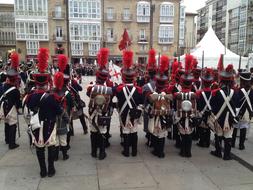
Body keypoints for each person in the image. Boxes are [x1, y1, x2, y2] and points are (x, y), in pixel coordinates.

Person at [26, 48, 63, 177]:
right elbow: (58, 111)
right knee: (51, 146)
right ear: (47, 83)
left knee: (39, 147)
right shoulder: (52, 97)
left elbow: (29, 108)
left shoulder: (31, 96)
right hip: (50, 124)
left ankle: (42, 170)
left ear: (36, 83)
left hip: (36, 125)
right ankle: (51, 169)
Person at [115, 50, 143, 157]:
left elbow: (116, 95)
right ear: (133, 77)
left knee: (126, 131)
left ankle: (126, 152)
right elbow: (141, 102)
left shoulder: (119, 89)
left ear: (123, 77)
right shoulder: (139, 89)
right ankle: (134, 152)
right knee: (134, 131)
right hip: (134, 113)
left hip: (124, 113)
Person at [87, 48, 113, 160]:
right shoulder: (109, 88)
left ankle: (93, 152)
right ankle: (102, 153)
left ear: (97, 76)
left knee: (93, 132)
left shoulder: (91, 86)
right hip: (103, 113)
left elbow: (89, 94)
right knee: (102, 132)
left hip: (93, 113)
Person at [146, 55, 172, 158]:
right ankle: (161, 152)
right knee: (162, 134)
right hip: (165, 116)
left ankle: (157, 151)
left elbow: (149, 104)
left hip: (156, 116)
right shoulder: (168, 93)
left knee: (156, 133)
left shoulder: (152, 94)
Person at [210, 64, 238, 160]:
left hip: (219, 117)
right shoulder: (235, 92)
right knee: (228, 135)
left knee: (218, 134)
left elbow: (213, 106)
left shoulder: (216, 92)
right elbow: (236, 105)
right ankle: (227, 155)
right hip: (230, 117)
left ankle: (218, 152)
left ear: (221, 81)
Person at [174, 55, 197, 157]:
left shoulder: (177, 94)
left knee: (183, 135)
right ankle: (189, 152)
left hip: (181, 117)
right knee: (189, 135)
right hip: (191, 117)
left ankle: (183, 151)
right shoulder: (194, 94)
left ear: (182, 82)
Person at [0, 52, 21, 149]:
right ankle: (12, 144)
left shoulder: (4, 85)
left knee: (6, 123)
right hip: (11, 107)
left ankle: (7, 139)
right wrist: (18, 108)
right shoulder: (15, 90)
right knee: (12, 124)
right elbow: (18, 102)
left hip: (3, 106)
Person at [232, 71, 253, 150]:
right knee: (243, 129)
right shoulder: (251, 91)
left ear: (242, 80)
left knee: (234, 128)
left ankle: (232, 143)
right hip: (247, 112)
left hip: (238, 111)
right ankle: (241, 145)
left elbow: (235, 101)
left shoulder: (238, 90)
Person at [196, 68, 214, 148]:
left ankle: (202, 142)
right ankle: (207, 142)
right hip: (209, 112)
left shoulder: (199, 92)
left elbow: (198, 103)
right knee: (208, 128)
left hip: (201, 112)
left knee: (201, 128)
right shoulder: (213, 92)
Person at [142, 49, 157, 146]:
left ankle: (149, 139)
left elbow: (144, 100)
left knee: (148, 124)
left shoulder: (146, 86)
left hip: (149, 107)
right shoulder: (162, 84)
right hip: (159, 107)